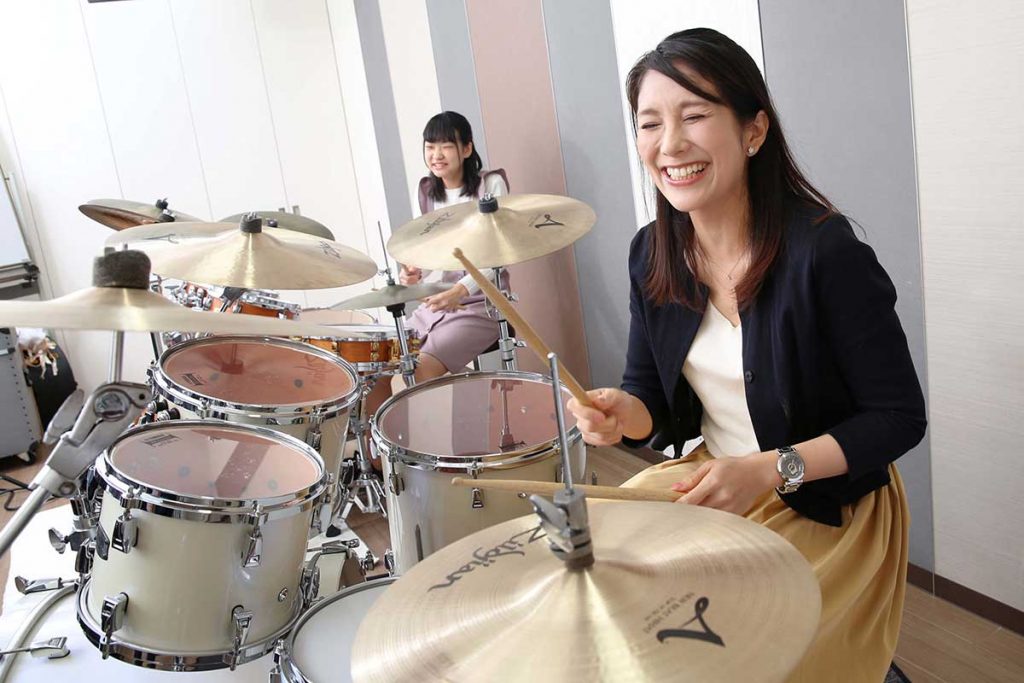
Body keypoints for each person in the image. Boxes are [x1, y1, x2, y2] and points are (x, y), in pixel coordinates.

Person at [566, 29, 926, 682]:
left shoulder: (825, 253)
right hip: (719, 478)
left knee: (739, 654)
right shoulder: (652, 253)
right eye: (650, 123)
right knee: (594, 577)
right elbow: (651, 400)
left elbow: (899, 417)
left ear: (754, 130)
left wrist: (769, 470)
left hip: (826, 499)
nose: (670, 144)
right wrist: (624, 415)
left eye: (694, 115)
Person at [398, 111, 510, 385]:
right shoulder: (426, 191)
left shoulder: (490, 185)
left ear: (467, 149)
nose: (436, 155)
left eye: (446, 146)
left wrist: (460, 290)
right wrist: (414, 274)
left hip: (482, 305)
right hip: (438, 302)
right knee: (385, 367)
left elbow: (499, 255)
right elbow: (426, 249)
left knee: (420, 370)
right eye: (430, 147)